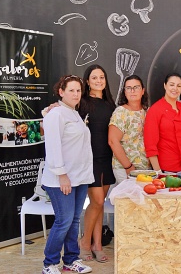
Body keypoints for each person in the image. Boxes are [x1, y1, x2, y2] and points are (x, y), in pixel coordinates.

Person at [41, 75, 93, 274]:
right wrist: (62, 175)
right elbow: (52, 147)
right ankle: (49, 263)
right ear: (61, 92)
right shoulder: (56, 114)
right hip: (61, 179)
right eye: (71, 90)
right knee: (64, 221)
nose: (75, 94)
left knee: (74, 221)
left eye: (78, 90)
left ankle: (71, 260)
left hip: (79, 178)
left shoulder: (74, 113)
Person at [78, 64, 116, 263]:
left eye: (102, 77)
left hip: (106, 159)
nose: (99, 81)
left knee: (98, 205)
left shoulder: (111, 104)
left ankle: (97, 245)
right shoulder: (82, 103)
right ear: (87, 81)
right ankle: (84, 243)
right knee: (98, 201)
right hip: (89, 160)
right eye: (94, 77)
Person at [144, 73, 181, 172]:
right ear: (165, 85)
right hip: (166, 170)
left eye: (178, 86)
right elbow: (150, 145)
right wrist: (158, 172)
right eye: (172, 85)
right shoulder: (155, 110)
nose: (175, 88)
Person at [108, 75, 150, 183]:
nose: (132, 91)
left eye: (136, 87)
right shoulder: (120, 112)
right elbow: (113, 141)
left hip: (146, 168)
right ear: (125, 92)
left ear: (143, 91)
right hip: (126, 168)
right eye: (128, 88)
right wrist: (128, 166)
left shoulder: (147, 112)